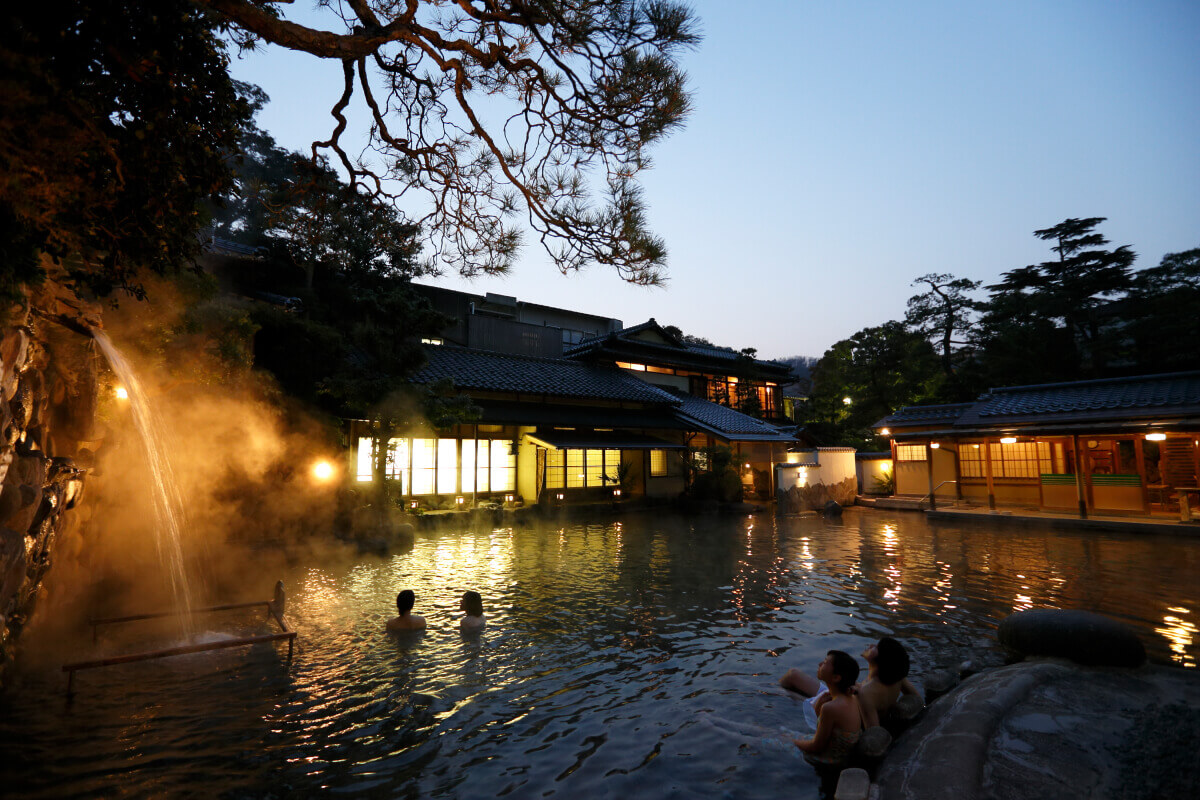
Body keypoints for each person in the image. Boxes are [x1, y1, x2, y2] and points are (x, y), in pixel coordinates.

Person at [792, 650, 864, 764]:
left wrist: (793, 742)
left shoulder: (831, 707)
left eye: (825, 662)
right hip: (839, 753)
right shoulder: (851, 697)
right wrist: (818, 707)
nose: (820, 664)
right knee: (778, 733)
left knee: (767, 739)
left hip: (828, 760)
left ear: (836, 677)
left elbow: (816, 747)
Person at [857, 637, 921, 728]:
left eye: (877, 647)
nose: (871, 645)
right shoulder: (897, 678)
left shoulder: (865, 693)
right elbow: (917, 699)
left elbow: (873, 732)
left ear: (883, 659)